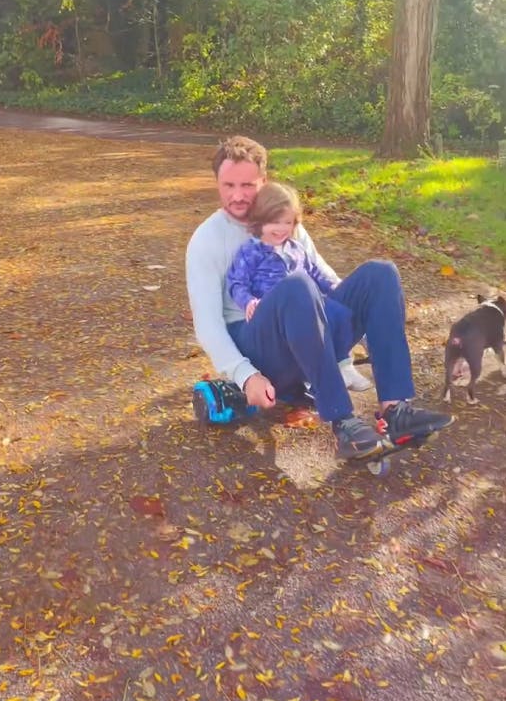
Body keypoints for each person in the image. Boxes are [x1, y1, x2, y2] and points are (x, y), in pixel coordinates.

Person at [185, 135, 454, 459]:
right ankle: (344, 423)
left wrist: (366, 326)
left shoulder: (284, 223)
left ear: (264, 182)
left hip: (308, 333)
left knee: (380, 274)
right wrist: (246, 376)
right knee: (297, 286)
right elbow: (208, 326)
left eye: (247, 185)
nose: (238, 195)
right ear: (217, 182)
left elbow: (326, 280)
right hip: (259, 344)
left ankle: (395, 410)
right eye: (228, 185)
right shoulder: (207, 240)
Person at [226, 181, 372, 392]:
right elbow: (237, 283)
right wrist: (248, 301)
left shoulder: (296, 248)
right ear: (260, 220)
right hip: (275, 314)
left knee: (338, 313)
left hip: (307, 305)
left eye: (287, 222)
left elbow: (316, 273)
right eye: (274, 222)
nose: (281, 229)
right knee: (307, 320)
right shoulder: (251, 252)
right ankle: (321, 374)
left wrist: (335, 287)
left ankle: (343, 363)